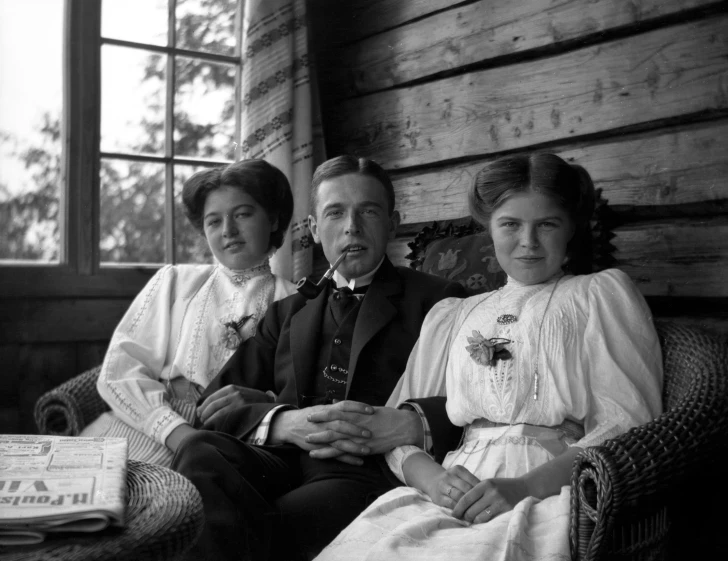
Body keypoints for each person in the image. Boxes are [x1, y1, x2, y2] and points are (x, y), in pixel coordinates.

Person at [315, 153, 664, 561]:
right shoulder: (455, 313)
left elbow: (626, 424)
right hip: (453, 488)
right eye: (510, 224)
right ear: (489, 227)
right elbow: (395, 431)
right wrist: (433, 481)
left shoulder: (597, 296)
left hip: (551, 487)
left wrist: (524, 488)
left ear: (570, 227)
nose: (528, 242)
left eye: (547, 224)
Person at [171, 155, 467, 560]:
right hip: (281, 460)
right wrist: (280, 420)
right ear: (313, 228)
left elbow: (476, 401)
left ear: (392, 223)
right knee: (199, 452)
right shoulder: (288, 310)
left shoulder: (439, 300)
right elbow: (214, 406)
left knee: (276, 520)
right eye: (335, 213)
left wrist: (409, 424)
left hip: (368, 468)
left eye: (368, 211)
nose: (352, 227)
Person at [81, 159, 297, 467]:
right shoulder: (174, 283)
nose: (228, 231)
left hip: (238, 439)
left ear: (273, 220)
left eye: (243, 214)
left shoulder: (296, 301)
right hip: (152, 422)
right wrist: (175, 431)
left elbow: (300, 395)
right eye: (214, 221)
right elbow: (119, 373)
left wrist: (265, 403)